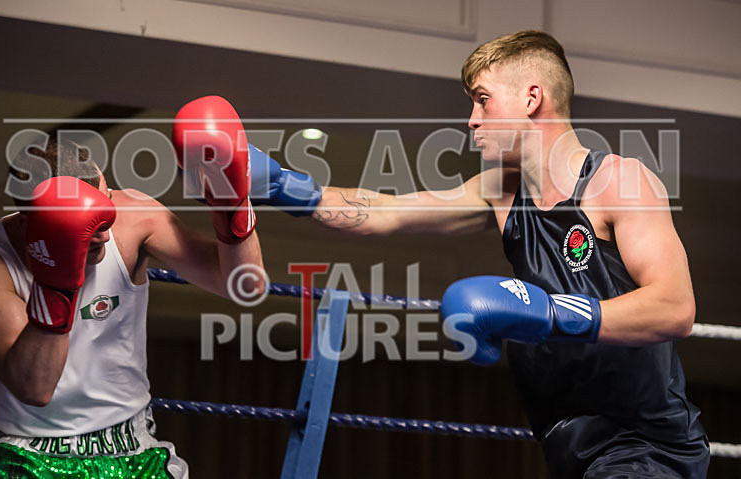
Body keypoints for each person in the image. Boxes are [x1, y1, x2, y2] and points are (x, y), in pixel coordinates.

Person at [250, 31, 709, 478]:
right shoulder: (501, 191)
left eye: (483, 99)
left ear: (532, 98)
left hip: (648, 449)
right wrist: (284, 188)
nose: (471, 119)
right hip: (570, 451)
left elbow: (675, 307)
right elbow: (388, 211)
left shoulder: (618, 182)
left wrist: (553, 314)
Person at [0, 97, 264, 477]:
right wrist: (58, 277)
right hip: (28, 451)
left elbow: (243, 285)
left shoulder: (136, 216)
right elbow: (35, 387)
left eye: (106, 208)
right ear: (26, 221)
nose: (103, 231)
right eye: (85, 223)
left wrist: (233, 206)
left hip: (133, 444)